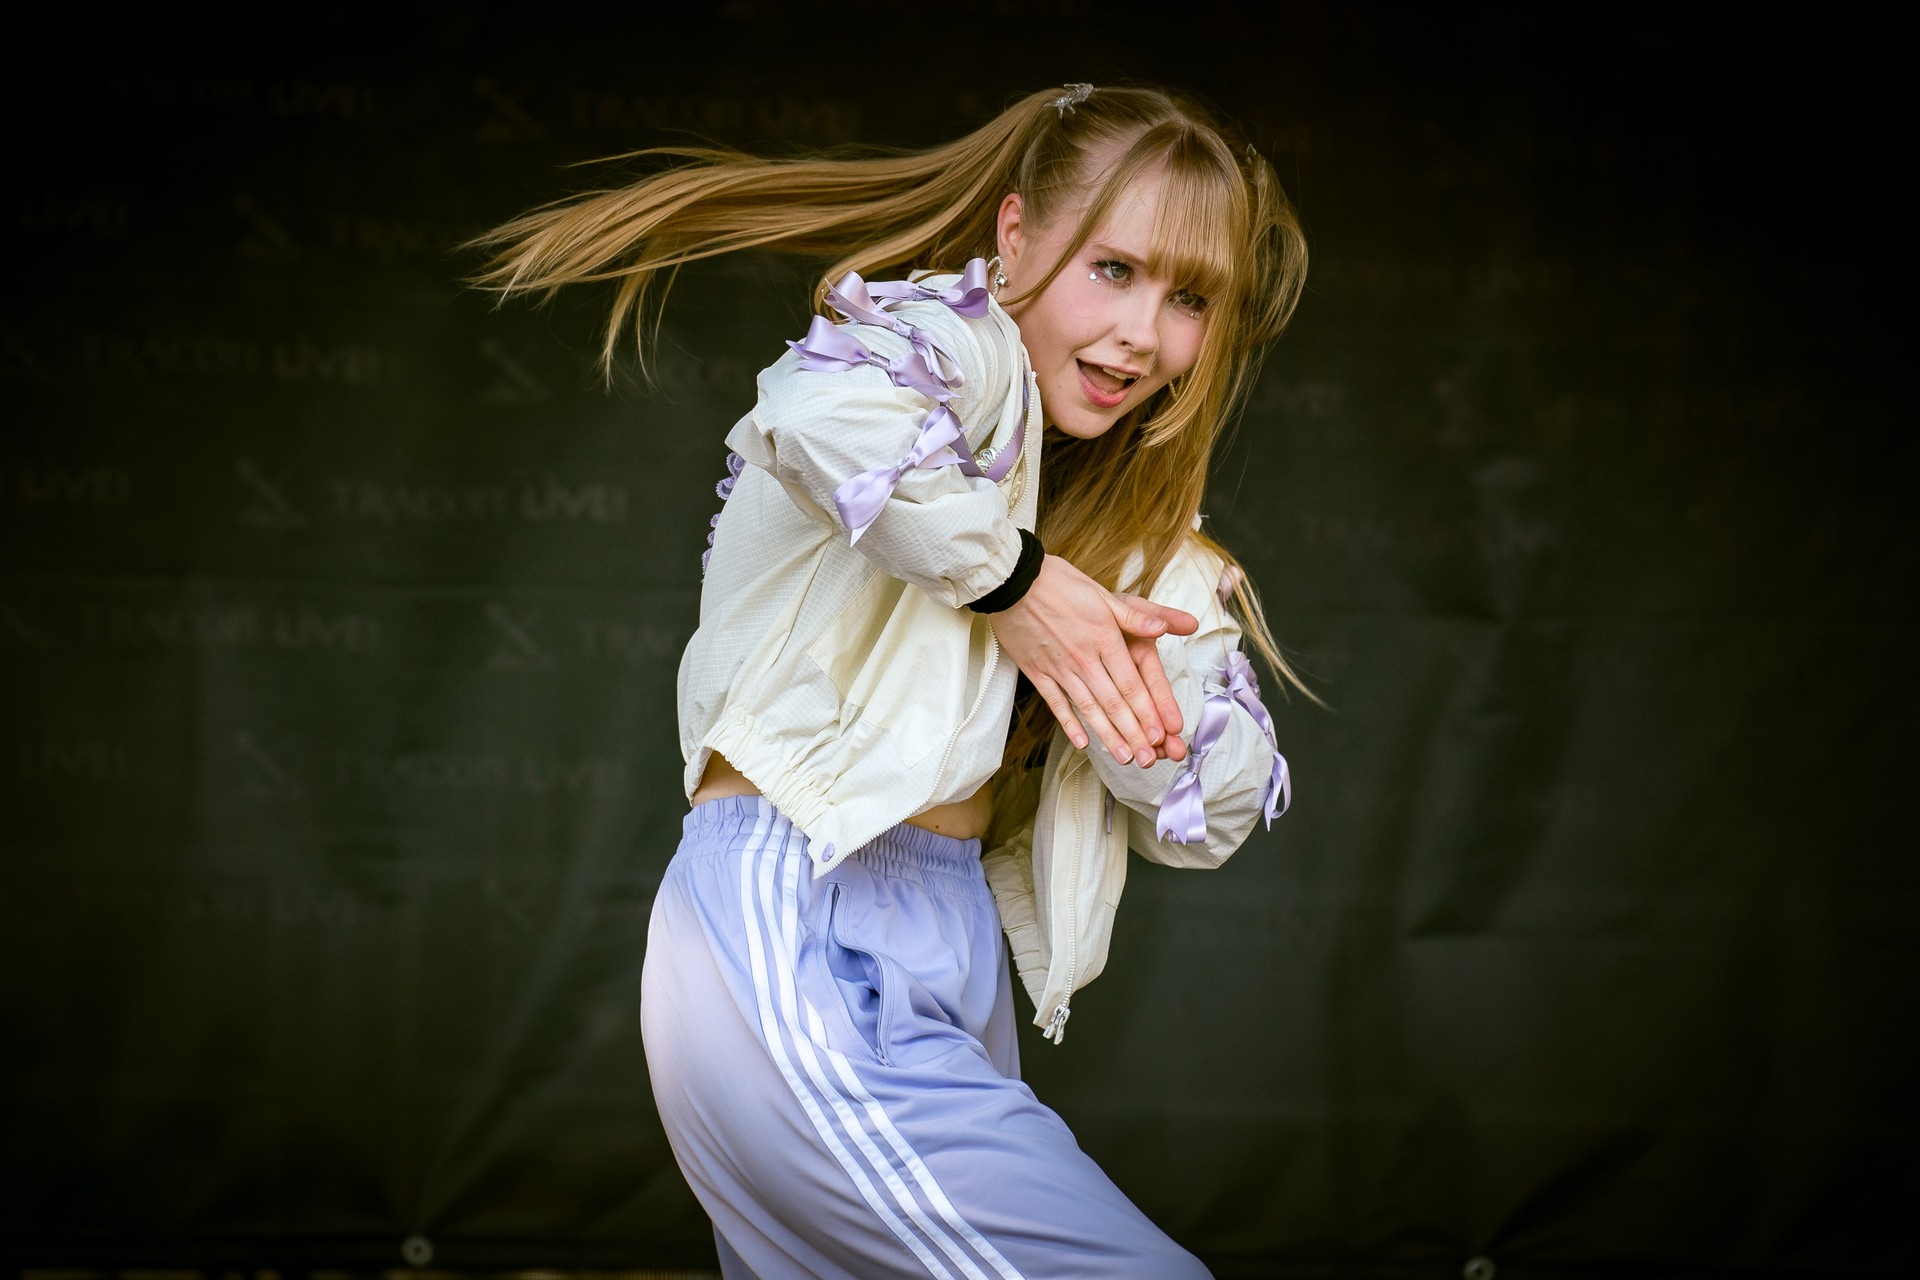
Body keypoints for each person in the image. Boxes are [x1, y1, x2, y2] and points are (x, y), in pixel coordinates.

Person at [470, 80, 1310, 1280]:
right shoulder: (947, 349)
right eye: (1114, 268)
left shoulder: (1145, 536)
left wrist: (1139, 708)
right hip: (801, 908)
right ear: (1016, 235)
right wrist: (1018, 584)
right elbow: (815, 415)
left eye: (1189, 298)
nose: (1142, 332)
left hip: (952, 942)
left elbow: (1216, 811)